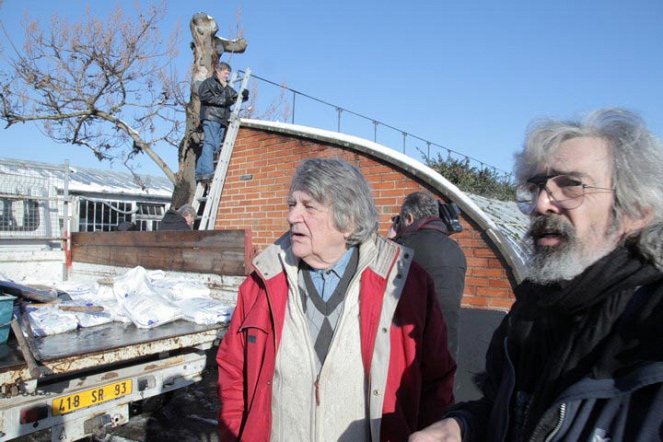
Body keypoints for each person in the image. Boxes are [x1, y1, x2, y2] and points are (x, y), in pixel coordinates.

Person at [409, 108, 663, 442]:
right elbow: (510, 413)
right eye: (536, 187)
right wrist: (464, 426)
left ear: (635, 210)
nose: (542, 204)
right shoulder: (530, 308)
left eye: (571, 185)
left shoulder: (652, 321)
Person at [217, 158, 456, 441]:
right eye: (292, 205)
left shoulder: (406, 283)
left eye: (309, 207)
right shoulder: (261, 282)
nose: (292, 216)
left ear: (348, 221)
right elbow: (233, 373)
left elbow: (436, 381)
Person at [393, 191, 467, 361]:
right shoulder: (456, 250)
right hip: (447, 346)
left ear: (409, 218)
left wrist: (393, 239)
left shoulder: (403, 249)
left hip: (410, 347)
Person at [196, 61, 249, 183]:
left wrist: (244, 96)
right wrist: (223, 100)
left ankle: (200, 171)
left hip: (222, 119)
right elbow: (204, 96)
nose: (227, 76)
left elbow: (234, 97)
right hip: (211, 116)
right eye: (225, 73)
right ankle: (207, 172)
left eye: (228, 74)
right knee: (210, 143)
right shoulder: (209, 83)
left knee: (213, 146)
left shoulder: (226, 87)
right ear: (218, 71)